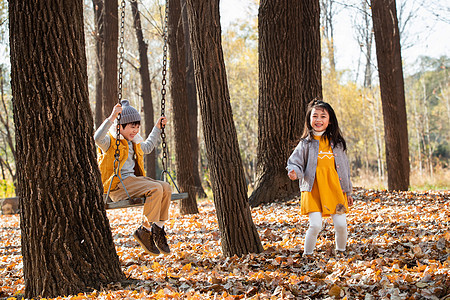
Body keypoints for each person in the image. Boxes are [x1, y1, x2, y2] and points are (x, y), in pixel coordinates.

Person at [94, 100, 172, 256]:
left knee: (166, 187)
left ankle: (158, 228)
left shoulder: (134, 143)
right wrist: (111, 118)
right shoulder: (110, 142)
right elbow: (97, 138)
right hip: (117, 185)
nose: (135, 131)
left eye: (137, 127)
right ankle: (145, 230)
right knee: (155, 188)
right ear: (120, 126)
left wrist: (157, 128)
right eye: (131, 127)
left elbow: (148, 146)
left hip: (133, 182)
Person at [286, 98, 354, 258]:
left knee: (341, 225)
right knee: (315, 225)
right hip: (312, 191)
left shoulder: (337, 143)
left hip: (335, 190)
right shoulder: (306, 143)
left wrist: (348, 192)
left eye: (323, 116)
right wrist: (294, 172)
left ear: (330, 121)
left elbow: (345, 169)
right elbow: (294, 162)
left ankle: (341, 252)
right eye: (315, 116)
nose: (318, 120)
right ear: (309, 119)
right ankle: (307, 255)